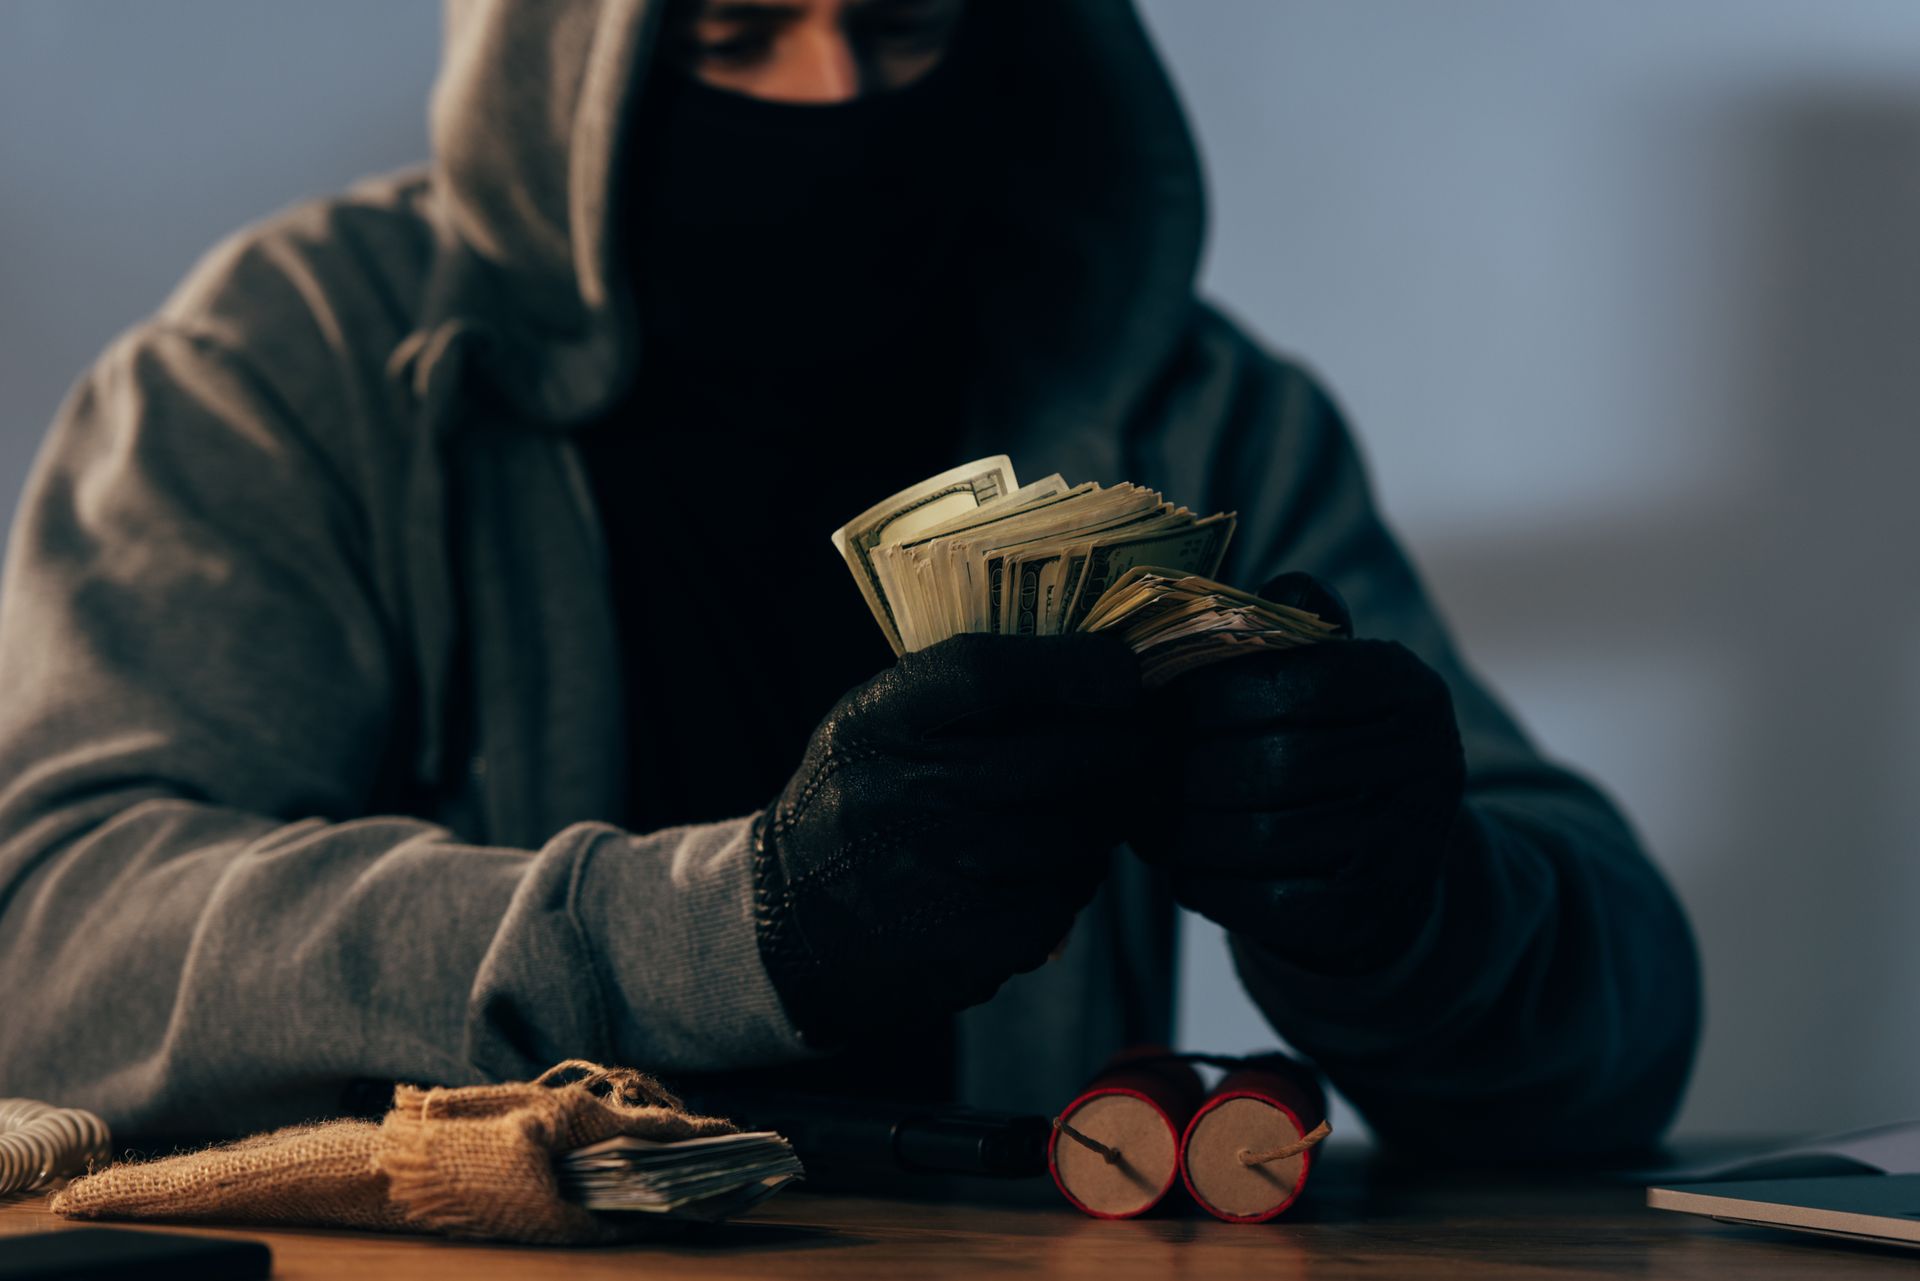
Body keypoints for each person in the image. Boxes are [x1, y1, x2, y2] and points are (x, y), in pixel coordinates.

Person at [0, 0, 1698, 1157]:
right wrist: (744, 926)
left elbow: (1629, 1019)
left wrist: (1420, 910)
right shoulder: (285, 368)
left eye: (903, 22)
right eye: (733, 29)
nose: (833, 97)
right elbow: (51, 951)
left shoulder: (1194, 413)